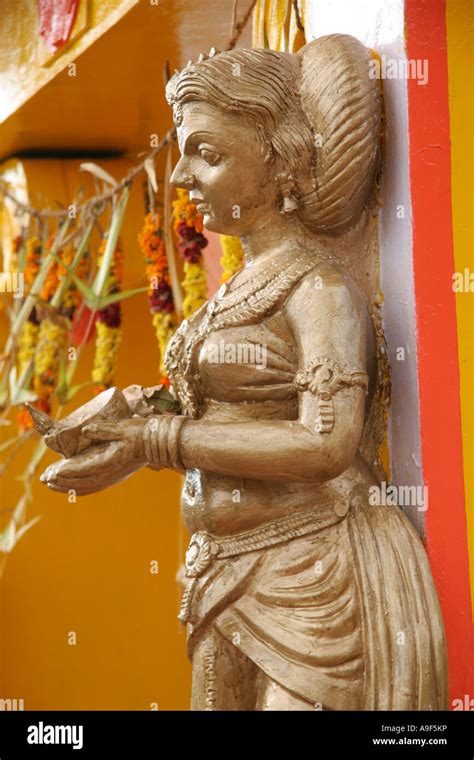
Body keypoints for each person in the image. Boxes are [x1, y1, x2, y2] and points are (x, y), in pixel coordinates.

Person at [41, 35, 448, 710]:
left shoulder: (319, 290)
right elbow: (218, 409)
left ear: (282, 159)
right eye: (182, 155)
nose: (181, 179)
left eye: (207, 153)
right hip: (220, 575)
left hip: (312, 578)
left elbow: (326, 444)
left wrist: (155, 442)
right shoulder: (234, 289)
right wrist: (124, 422)